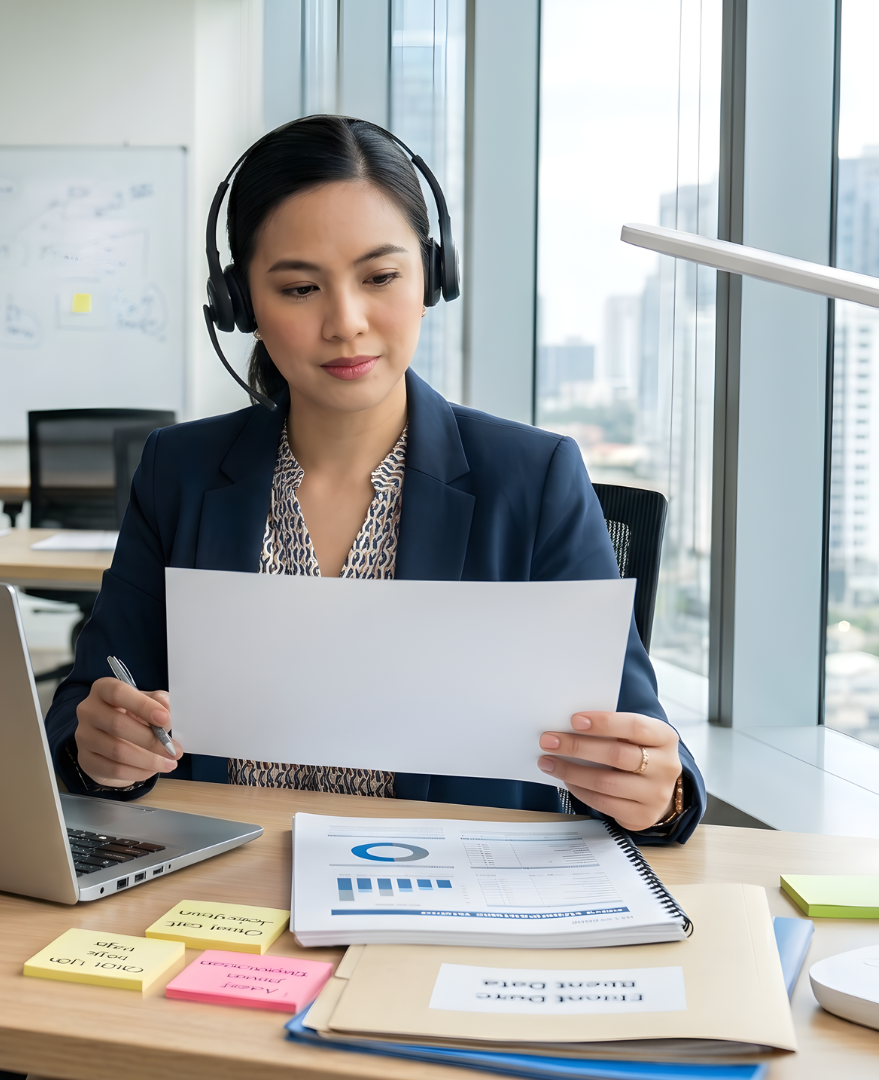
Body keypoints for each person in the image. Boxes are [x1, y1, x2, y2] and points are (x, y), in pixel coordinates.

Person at [40, 114, 703, 846]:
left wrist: (656, 791)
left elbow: (645, 747)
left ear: (431, 278)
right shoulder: (181, 471)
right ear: (240, 304)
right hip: (227, 894)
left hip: (449, 902)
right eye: (299, 289)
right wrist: (103, 749)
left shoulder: (535, 478)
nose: (346, 322)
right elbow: (86, 709)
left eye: (380, 277)